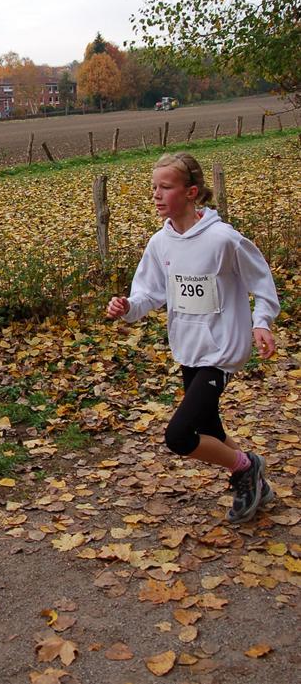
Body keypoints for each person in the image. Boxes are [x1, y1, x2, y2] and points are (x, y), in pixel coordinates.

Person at [107, 152, 280, 524]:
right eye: (153, 187)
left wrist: (262, 321)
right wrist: (128, 306)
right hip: (188, 349)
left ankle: (247, 468)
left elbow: (261, 282)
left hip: (221, 351)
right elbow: (150, 294)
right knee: (209, 430)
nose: (156, 195)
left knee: (180, 436)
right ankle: (253, 480)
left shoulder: (223, 239)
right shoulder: (160, 243)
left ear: (191, 192)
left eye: (165, 187)